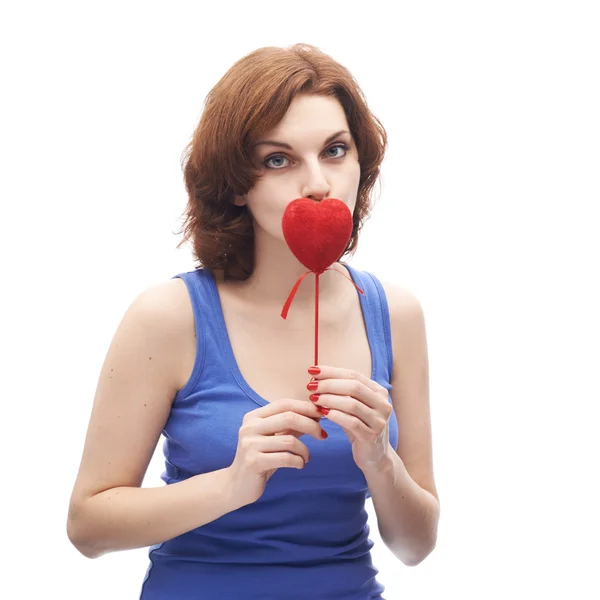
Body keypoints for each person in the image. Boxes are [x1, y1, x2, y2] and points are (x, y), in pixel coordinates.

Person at [66, 43, 439, 599]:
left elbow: (416, 546)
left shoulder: (396, 315)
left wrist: (380, 460)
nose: (318, 183)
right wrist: (233, 484)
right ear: (237, 184)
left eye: (335, 150)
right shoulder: (168, 318)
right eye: (278, 159)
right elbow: (87, 528)